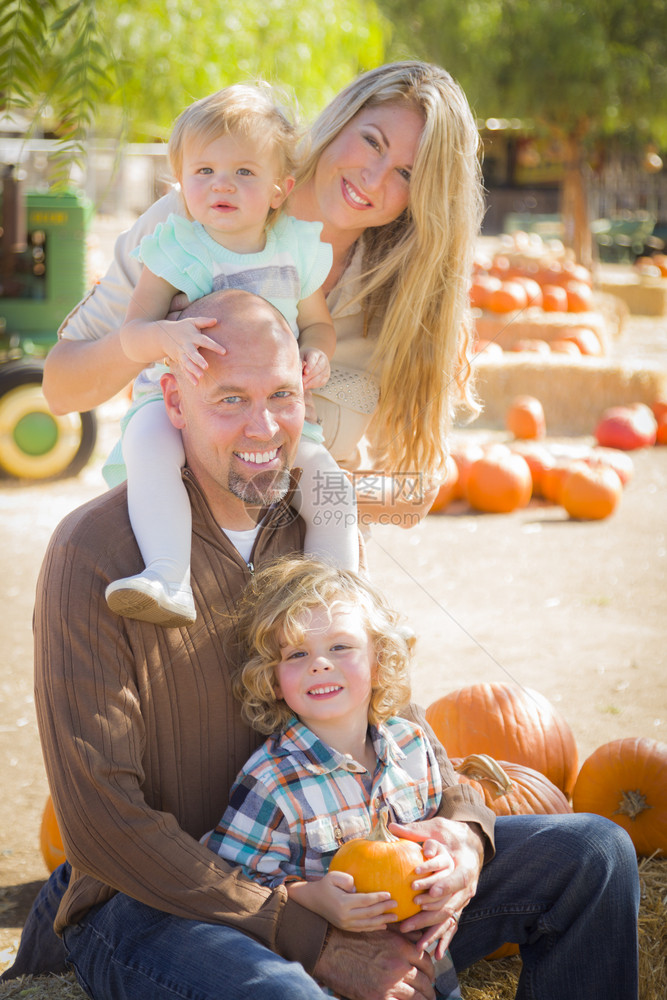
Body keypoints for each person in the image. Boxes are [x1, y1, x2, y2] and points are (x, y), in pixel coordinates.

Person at [3, 290, 642, 999]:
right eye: (229, 399)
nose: (264, 426)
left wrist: (464, 830)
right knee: (285, 995)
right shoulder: (95, 552)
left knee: (595, 854)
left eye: (281, 394)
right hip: (156, 903)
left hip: (344, 868)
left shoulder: (320, 528)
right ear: (173, 402)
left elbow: (386, 716)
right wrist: (303, 933)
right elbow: (100, 820)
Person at [42, 61, 486, 529]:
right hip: (181, 553)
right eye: (372, 141)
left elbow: (411, 498)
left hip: (310, 573)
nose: (373, 178)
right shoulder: (194, 221)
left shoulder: (402, 300)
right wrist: (156, 338)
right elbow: (60, 390)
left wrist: (291, 489)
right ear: (340, 121)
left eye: (406, 174)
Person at [103, 83, 358, 629]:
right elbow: (133, 334)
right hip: (180, 401)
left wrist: (316, 352)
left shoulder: (293, 248)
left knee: (329, 483)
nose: (222, 184)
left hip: (269, 409)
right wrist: (165, 339)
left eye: (244, 172)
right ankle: (169, 576)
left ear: (278, 188)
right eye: (204, 172)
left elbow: (317, 323)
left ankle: (339, 597)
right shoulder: (177, 248)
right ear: (181, 183)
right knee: (148, 449)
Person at [206, 555, 462, 999]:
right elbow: (232, 883)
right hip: (332, 973)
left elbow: (436, 827)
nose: (320, 664)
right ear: (273, 678)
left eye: (341, 647)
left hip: (429, 956)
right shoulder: (272, 780)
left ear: (380, 661)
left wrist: (443, 861)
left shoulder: (413, 747)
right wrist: (308, 895)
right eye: (298, 653)